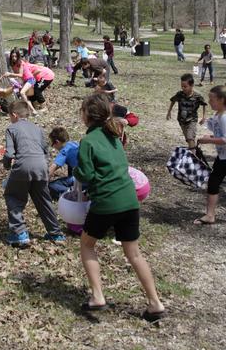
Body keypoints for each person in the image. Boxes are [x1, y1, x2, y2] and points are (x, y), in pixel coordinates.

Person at [74, 94, 164, 321]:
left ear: (87, 115)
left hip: (106, 202)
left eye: (82, 110)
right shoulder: (113, 135)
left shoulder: (87, 141)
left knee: (86, 244)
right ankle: (155, 303)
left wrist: (76, 171)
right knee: (134, 253)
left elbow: (85, 174)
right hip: (130, 201)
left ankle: (97, 296)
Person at [1, 100, 65, 246]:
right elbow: (45, 151)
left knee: (13, 196)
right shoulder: (38, 129)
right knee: (43, 199)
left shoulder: (12, 128)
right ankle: (56, 234)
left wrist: (6, 166)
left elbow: (10, 154)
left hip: (23, 165)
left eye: (10, 116)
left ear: (14, 115)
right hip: (41, 166)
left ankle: (20, 233)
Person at [193, 85, 226, 225]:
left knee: (213, 182)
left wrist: (209, 140)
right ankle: (210, 215)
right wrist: (211, 136)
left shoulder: (224, 117)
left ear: (221, 100)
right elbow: (221, 135)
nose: (209, 101)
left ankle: (210, 214)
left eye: (212, 99)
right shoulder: (218, 115)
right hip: (223, 157)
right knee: (213, 183)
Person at [166, 73, 207, 150]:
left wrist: (204, 117)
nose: (183, 88)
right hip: (181, 120)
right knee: (188, 139)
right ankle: (195, 151)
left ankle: (193, 158)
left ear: (192, 85)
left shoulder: (197, 96)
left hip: (192, 120)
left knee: (190, 137)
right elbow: (173, 101)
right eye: (182, 86)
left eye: (185, 86)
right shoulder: (180, 94)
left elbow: (204, 104)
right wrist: (169, 111)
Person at [0, 49, 38, 116]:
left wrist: (9, 74)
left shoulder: (21, 63)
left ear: (18, 56)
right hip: (24, 81)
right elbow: (17, 76)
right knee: (23, 96)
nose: (14, 58)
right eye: (12, 56)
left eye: (15, 56)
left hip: (30, 79)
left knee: (22, 93)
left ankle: (34, 111)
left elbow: (20, 75)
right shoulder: (13, 64)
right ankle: (27, 111)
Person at [48, 127, 80, 200]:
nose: (53, 147)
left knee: (52, 186)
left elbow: (52, 169)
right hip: (90, 177)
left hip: (81, 180)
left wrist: (43, 183)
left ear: (57, 142)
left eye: (52, 144)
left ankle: (71, 192)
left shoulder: (64, 151)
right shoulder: (75, 144)